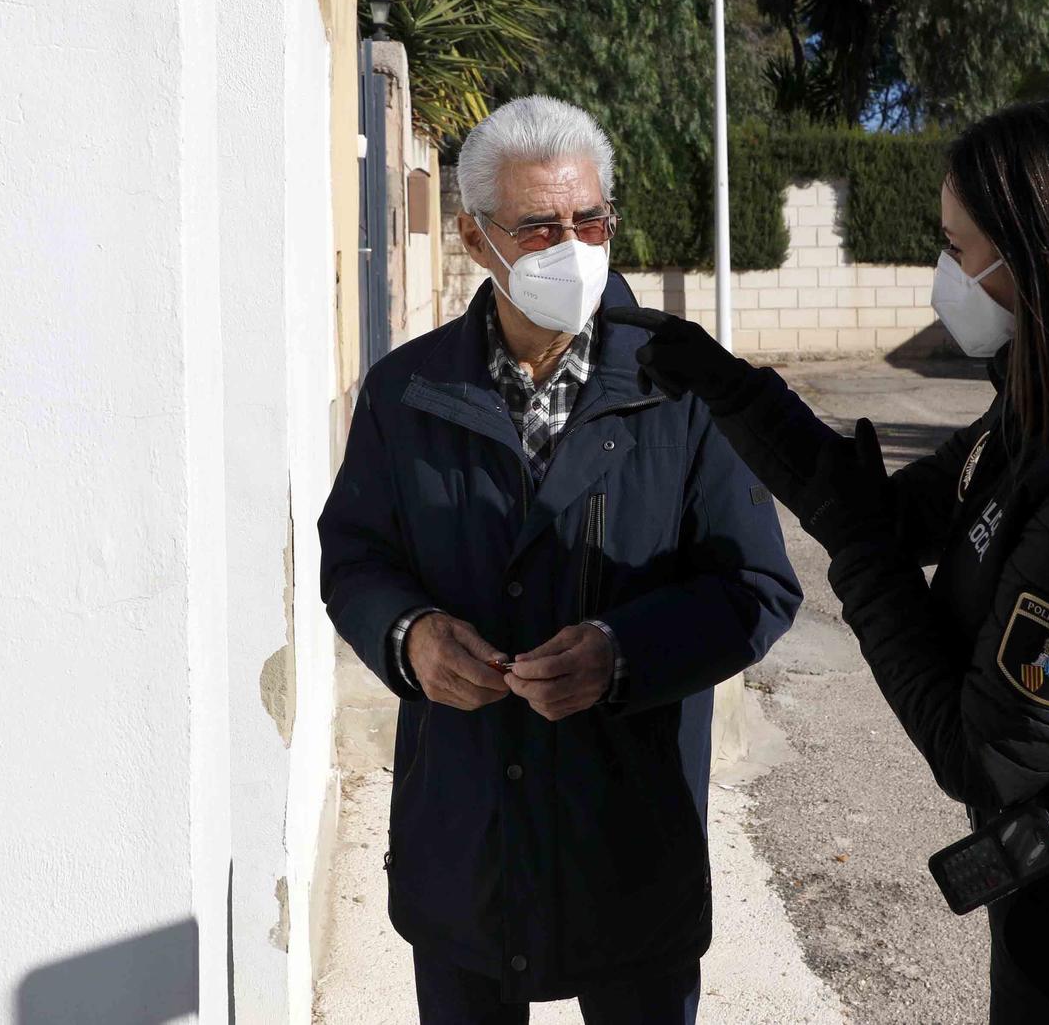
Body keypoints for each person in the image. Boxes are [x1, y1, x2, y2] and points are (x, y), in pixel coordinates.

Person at [609, 98, 1049, 1024]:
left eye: (958, 249)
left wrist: (856, 555)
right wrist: (727, 386)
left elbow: (984, 754)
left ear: (1037, 266)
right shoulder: (1042, 426)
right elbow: (877, 508)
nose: (944, 274)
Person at [319, 95, 800, 1025]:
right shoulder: (405, 392)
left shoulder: (685, 388)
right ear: (473, 238)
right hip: (465, 843)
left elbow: (758, 586)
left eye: (589, 220)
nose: (570, 244)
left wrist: (623, 653)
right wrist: (410, 635)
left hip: (630, 843)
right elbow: (355, 557)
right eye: (538, 225)